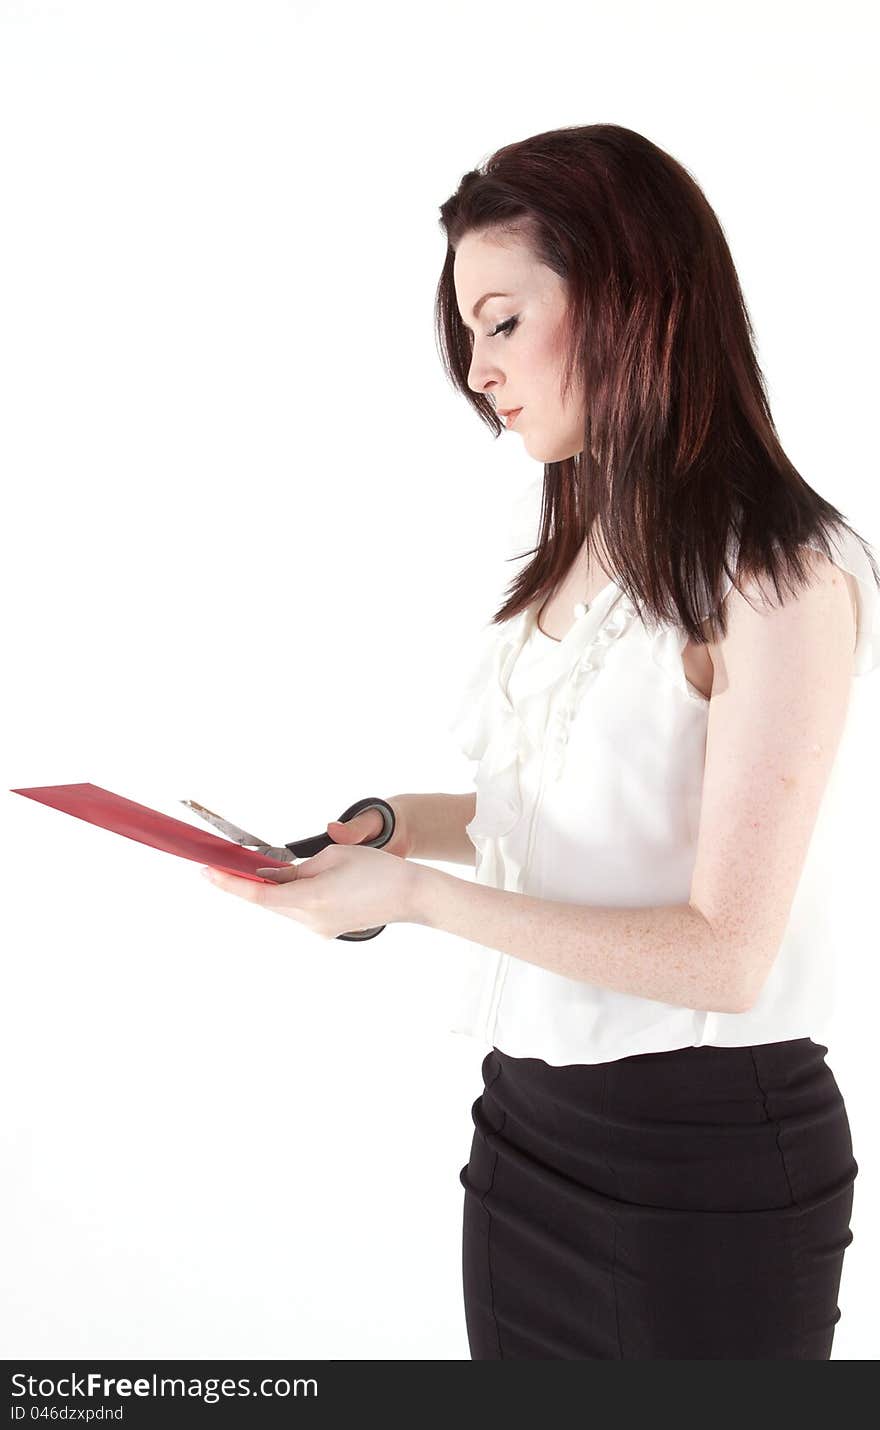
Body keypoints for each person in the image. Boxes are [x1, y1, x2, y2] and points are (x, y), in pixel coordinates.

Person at [204, 123, 880, 1360]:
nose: (476, 368)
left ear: (630, 296)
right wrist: (399, 824)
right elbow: (585, 798)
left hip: (706, 1172)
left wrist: (412, 896)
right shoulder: (578, 546)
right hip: (523, 1138)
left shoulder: (781, 573)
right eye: (468, 331)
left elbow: (724, 955)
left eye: (503, 320)